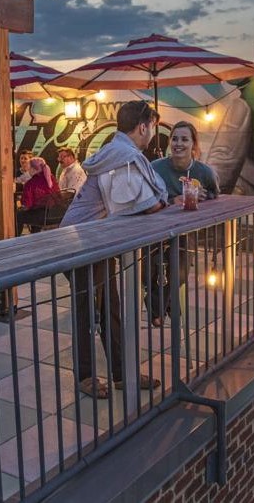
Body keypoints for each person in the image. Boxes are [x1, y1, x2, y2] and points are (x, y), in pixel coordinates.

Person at [60, 101, 168, 398]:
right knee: (88, 311)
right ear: (143, 126)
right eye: (153, 126)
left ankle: (121, 373)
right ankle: (85, 377)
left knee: (110, 309)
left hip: (93, 241)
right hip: (80, 243)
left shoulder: (118, 152)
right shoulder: (122, 157)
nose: (153, 133)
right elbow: (143, 204)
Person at [149, 121, 220, 324]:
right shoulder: (156, 168)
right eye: (175, 138)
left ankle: (158, 310)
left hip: (185, 231)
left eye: (184, 139)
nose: (178, 143)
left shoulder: (204, 172)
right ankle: (167, 306)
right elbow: (146, 197)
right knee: (148, 274)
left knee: (179, 273)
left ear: (193, 145)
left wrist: (204, 200)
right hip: (156, 227)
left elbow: (217, 197)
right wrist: (172, 201)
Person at [16, 157, 60, 234]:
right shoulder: (52, 179)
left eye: (29, 167)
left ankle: (15, 240)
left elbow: (26, 205)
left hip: (42, 217)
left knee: (18, 215)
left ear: (33, 169)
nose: (28, 170)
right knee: (36, 210)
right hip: (56, 214)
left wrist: (19, 205)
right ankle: (35, 235)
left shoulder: (30, 183)